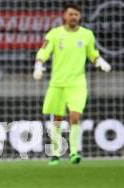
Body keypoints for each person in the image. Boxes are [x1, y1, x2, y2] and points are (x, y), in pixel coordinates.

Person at [33, 3, 111, 165]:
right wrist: (39, 65)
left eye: (76, 14)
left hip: (77, 83)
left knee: (74, 116)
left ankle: (74, 152)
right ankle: (55, 154)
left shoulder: (87, 35)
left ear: (79, 17)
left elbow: (92, 53)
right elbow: (44, 50)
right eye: (71, 14)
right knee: (57, 118)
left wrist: (100, 61)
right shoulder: (54, 34)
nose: (73, 17)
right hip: (58, 82)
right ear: (64, 16)